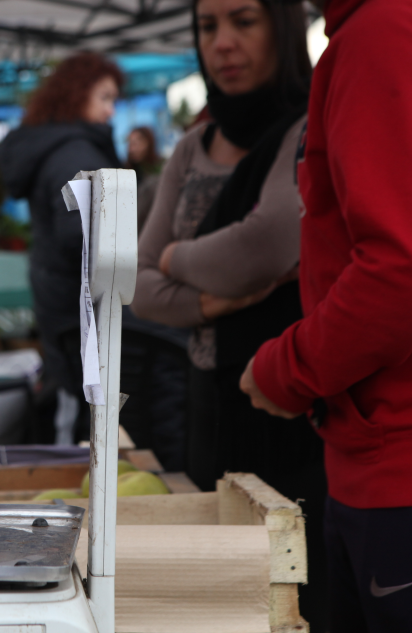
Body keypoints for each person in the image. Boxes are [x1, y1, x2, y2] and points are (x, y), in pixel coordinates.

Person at [130, 0, 327, 626]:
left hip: (296, 409)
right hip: (209, 403)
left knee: (296, 588)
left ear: (284, 25)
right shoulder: (193, 146)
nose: (223, 44)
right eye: (208, 27)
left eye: (244, 21)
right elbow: (137, 284)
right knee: (223, 595)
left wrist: (174, 256)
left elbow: (266, 242)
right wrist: (215, 299)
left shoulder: (309, 127)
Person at [239, 0, 412, 630]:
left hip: (392, 471)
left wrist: (286, 370)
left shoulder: (382, 30)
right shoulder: (366, 32)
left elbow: (397, 272)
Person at [0, 51, 123, 445]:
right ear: (75, 95)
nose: (110, 110)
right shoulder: (76, 152)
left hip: (58, 293)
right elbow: (79, 235)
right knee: (80, 404)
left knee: (70, 395)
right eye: (104, 97)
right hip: (77, 300)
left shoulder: (55, 145)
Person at [125, 126, 164, 232]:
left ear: (149, 143)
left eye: (137, 143)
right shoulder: (125, 172)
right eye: (130, 143)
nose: (132, 149)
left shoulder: (159, 171)